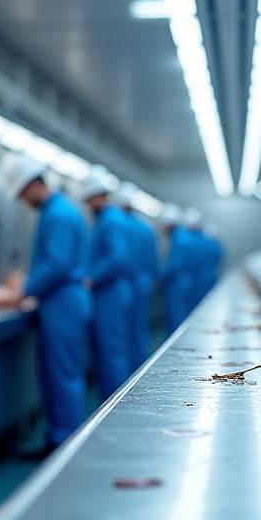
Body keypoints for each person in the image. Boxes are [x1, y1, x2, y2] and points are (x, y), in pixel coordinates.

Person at [0, 155, 91, 455]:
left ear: (34, 184)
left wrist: (24, 288)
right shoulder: (59, 211)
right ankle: (58, 437)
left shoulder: (59, 215)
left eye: (23, 193)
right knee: (58, 374)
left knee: (62, 376)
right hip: (61, 302)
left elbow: (57, 263)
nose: (24, 201)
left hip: (63, 304)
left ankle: (64, 444)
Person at [81, 168, 135, 400]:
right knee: (111, 350)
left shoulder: (110, 221)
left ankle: (114, 404)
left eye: (89, 199)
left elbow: (117, 257)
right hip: (111, 293)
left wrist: (92, 277)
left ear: (97, 196)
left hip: (109, 295)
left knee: (110, 352)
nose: (88, 204)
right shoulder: (109, 219)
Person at [113, 181, 158, 368]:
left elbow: (117, 257)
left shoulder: (119, 224)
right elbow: (154, 260)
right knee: (140, 329)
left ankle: (125, 375)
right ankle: (141, 368)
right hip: (144, 282)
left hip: (125, 283)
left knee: (122, 334)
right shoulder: (146, 227)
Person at [157, 204, 193, 333]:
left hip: (176, 284)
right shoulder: (183, 236)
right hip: (182, 282)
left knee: (176, 319)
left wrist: (159, 276)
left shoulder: (179, 239)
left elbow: (175, 264)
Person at [183, 207, 209, 311]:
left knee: (179, 310)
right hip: (198, 276)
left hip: (182, 279)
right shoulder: (201, 239)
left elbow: (177, 262)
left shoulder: (183, 239)